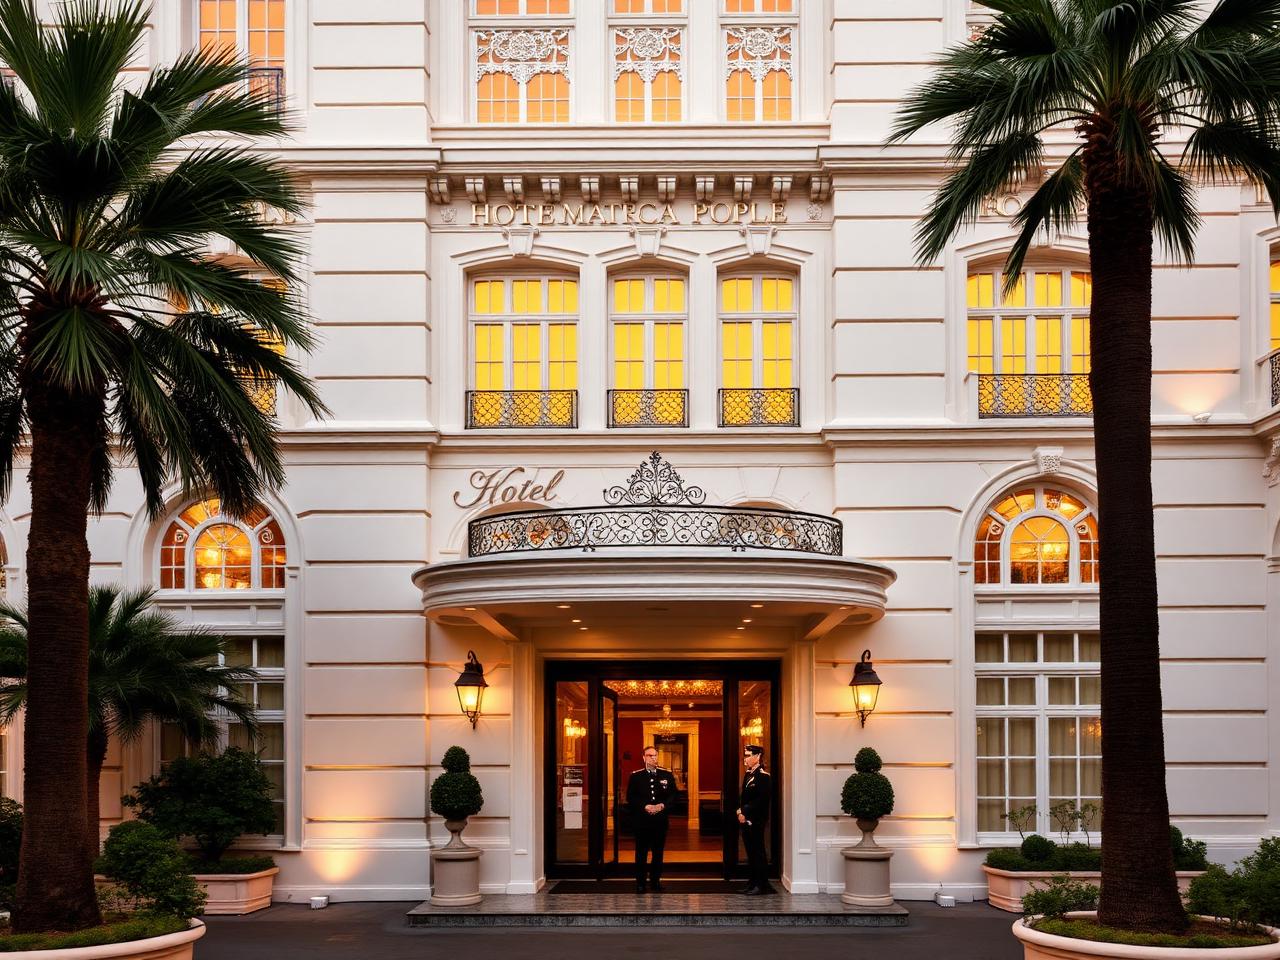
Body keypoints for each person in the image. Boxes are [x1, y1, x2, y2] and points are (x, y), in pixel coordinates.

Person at [625, 745, 676, 893]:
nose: (653, 758)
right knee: (641, 854)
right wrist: (644, 806)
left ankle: (655, 882)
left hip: (659, 822)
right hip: (642, 822)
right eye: (650, 755)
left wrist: (662, 806)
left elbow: (674, 795)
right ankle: (640, 883)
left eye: (655, 755)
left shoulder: (666, 775)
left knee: (658, 854)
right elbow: (631, 797)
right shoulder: (636, 776)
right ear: (643, 758)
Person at [737, 744, 773, 895]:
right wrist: (740, 812)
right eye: (745, 755)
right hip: (746, 820)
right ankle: (752, 883)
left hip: (756, 820)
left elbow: (761, 800)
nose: (745, 758)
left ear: (757, 756)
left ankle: (761, 884)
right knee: (751, 853)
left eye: (748, 755)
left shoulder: (763, 776)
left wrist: (744, 811)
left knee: (758, 852)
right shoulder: (748, 774)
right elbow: (745, 797)